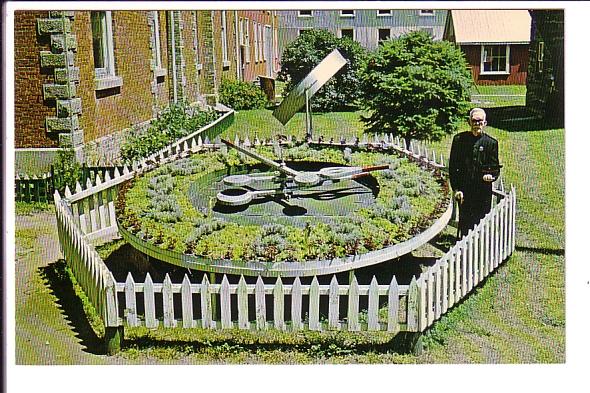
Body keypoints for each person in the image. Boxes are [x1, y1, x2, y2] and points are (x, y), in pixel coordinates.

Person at [449, 108, 501, 238]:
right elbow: (454, 167)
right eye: (474, 121)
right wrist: (456, 189)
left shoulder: (491, 143)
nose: (477, 124)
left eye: (480, 121)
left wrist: (491, 176)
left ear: (485, 123)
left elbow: (495, 167)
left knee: (481, 224)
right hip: (465, 191)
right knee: (465, 224)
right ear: (469, 122)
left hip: (482, 192)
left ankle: (479, 254)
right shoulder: (459, 140)